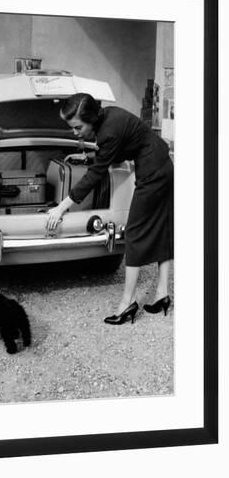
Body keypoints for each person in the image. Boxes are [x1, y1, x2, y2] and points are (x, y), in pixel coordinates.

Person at [46, 93, 174, 325]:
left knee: (134, 232)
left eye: (77, 127)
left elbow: (97, 173)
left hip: (153, 173)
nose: (75, 133)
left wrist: (62, 207)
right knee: (162, 226)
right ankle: (162, 294)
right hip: (162, 164)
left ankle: (127, 303)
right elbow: (113, 152)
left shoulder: (108, 132)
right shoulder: (110, 116)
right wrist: (88, 155)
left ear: (92, 119)